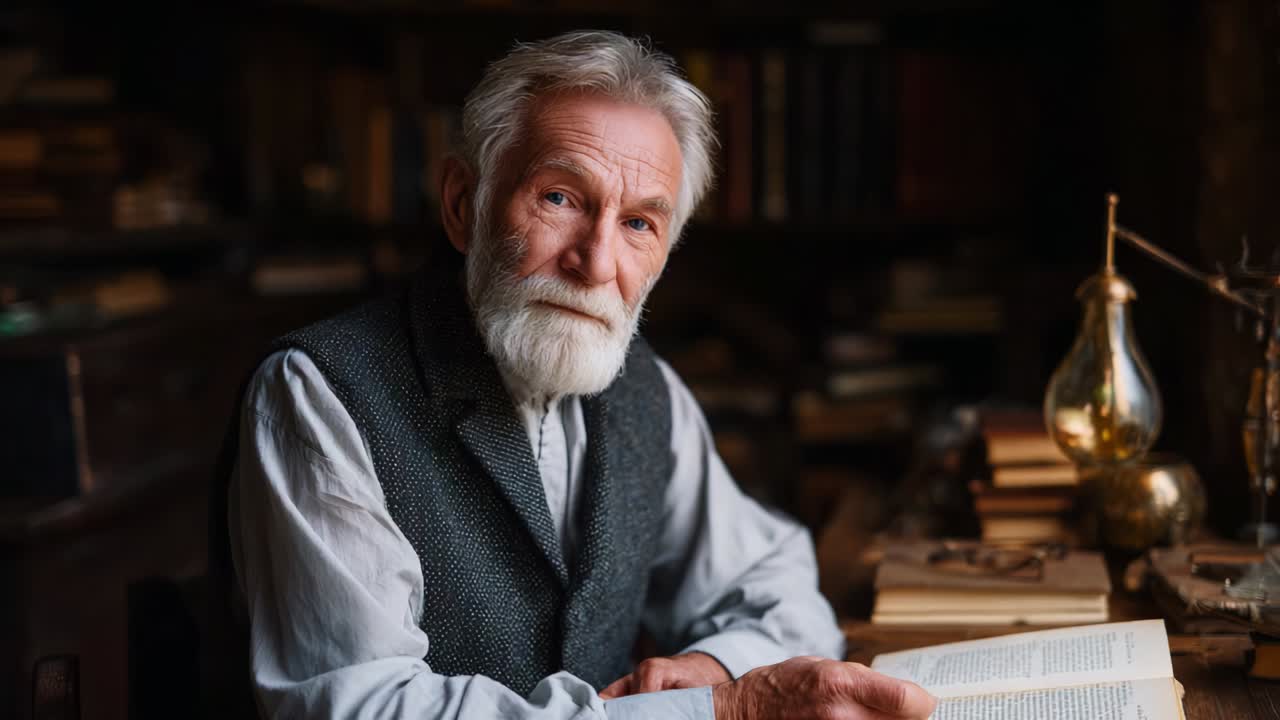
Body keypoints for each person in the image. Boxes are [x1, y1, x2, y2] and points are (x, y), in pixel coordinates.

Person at [227, 30, 937, 720]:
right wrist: (715, 710)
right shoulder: (321, 395)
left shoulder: (644, 392)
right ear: (463, 205)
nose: (596, 264)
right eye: (560, 198)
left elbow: (775, 584)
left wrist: (718, 665)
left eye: (639, 224)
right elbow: (362, 706)